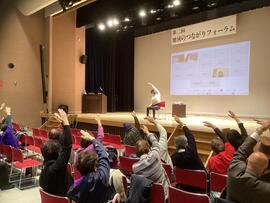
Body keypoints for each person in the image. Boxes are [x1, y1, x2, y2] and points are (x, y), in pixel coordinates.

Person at [226, 120, 270, 203]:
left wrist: (260, 130)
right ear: (264, 171)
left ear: (246, 160)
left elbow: (241, 152)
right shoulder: (266, 189)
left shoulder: (233, 173)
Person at [68, 130, 115, 203]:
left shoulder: (74, 187)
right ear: (94, 165)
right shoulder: (102, 178)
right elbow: (104, 156)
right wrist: (93, 139)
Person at [39, 109, 73, 196]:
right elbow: (67, 146)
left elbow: (64, 145)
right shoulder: (57, 168)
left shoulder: (45, 167)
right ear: (58, 153)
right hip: (63, 195)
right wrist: (65, 121)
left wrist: (63, 123)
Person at [132, 125, 170, 198]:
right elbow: (155, 142)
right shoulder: (155, 155)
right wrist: (147, 132)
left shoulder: (135, 167)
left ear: (136, 153)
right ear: (149, 148)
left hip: (149, 196)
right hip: (164, 195)